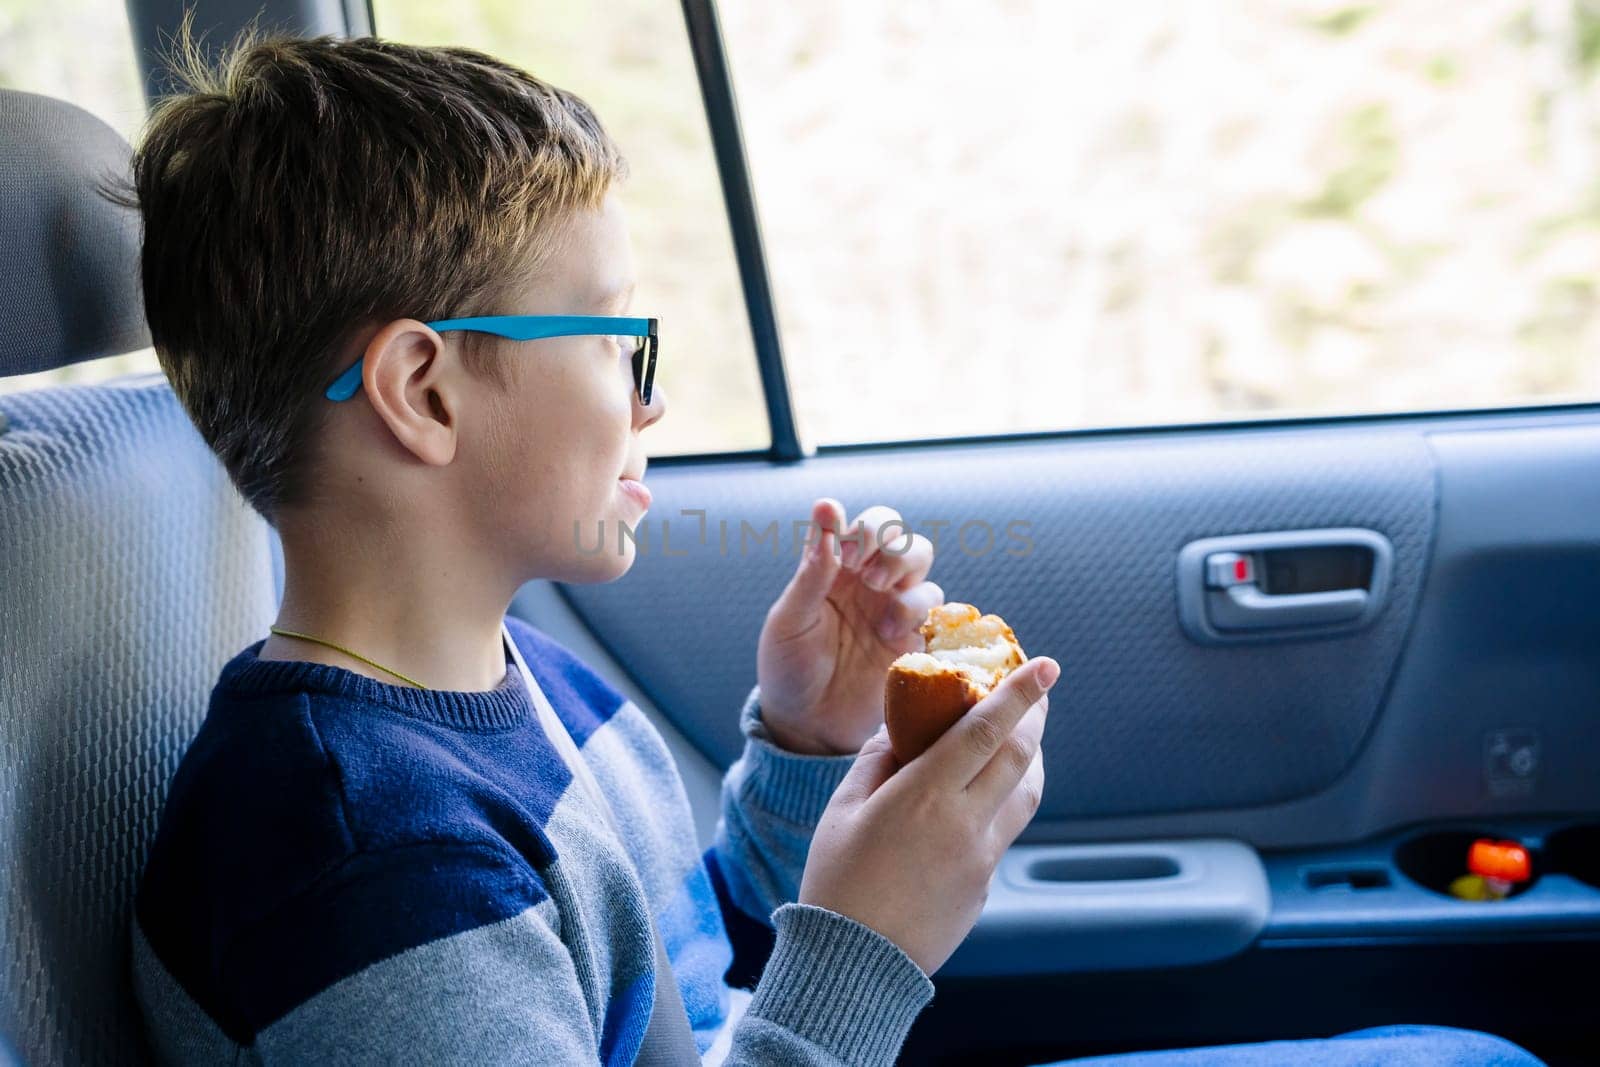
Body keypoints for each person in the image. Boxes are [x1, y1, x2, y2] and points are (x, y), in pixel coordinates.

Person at [125, 31, 1543, 1067]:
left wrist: (805, 744)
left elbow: (690, 970)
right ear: (424, 392)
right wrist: (866, 947)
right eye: (625, 341)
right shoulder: (357, 851)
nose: (654, 397)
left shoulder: (511, 678)